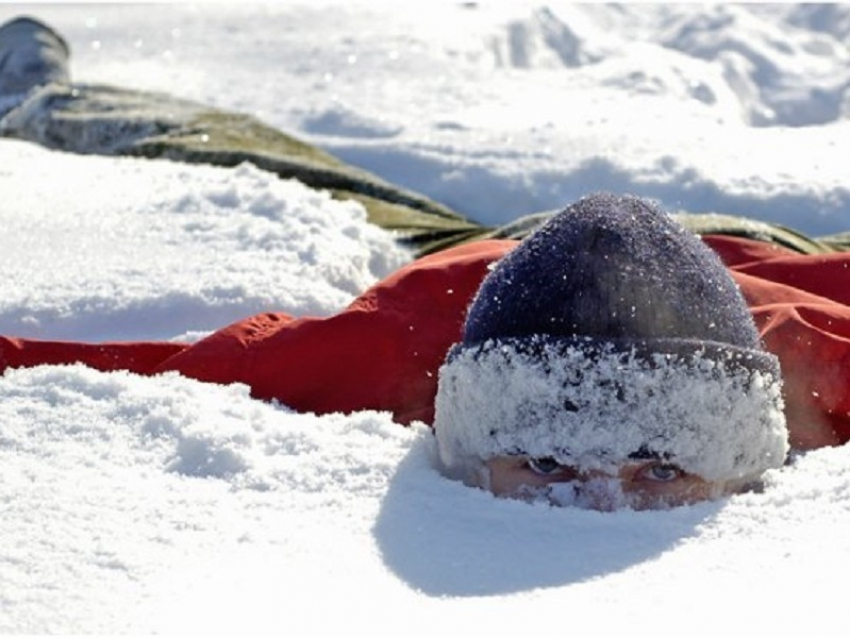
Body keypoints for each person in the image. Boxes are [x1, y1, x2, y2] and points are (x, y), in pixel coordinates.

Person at [2, 16, 850, 510]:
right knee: (244, 156)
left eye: (660, 468)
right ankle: (46, 97)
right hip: (478, 260)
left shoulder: (827, 358)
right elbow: (139, 373)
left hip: (785, 259)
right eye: (547, 463)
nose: (597, 505)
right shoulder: (398, 345)